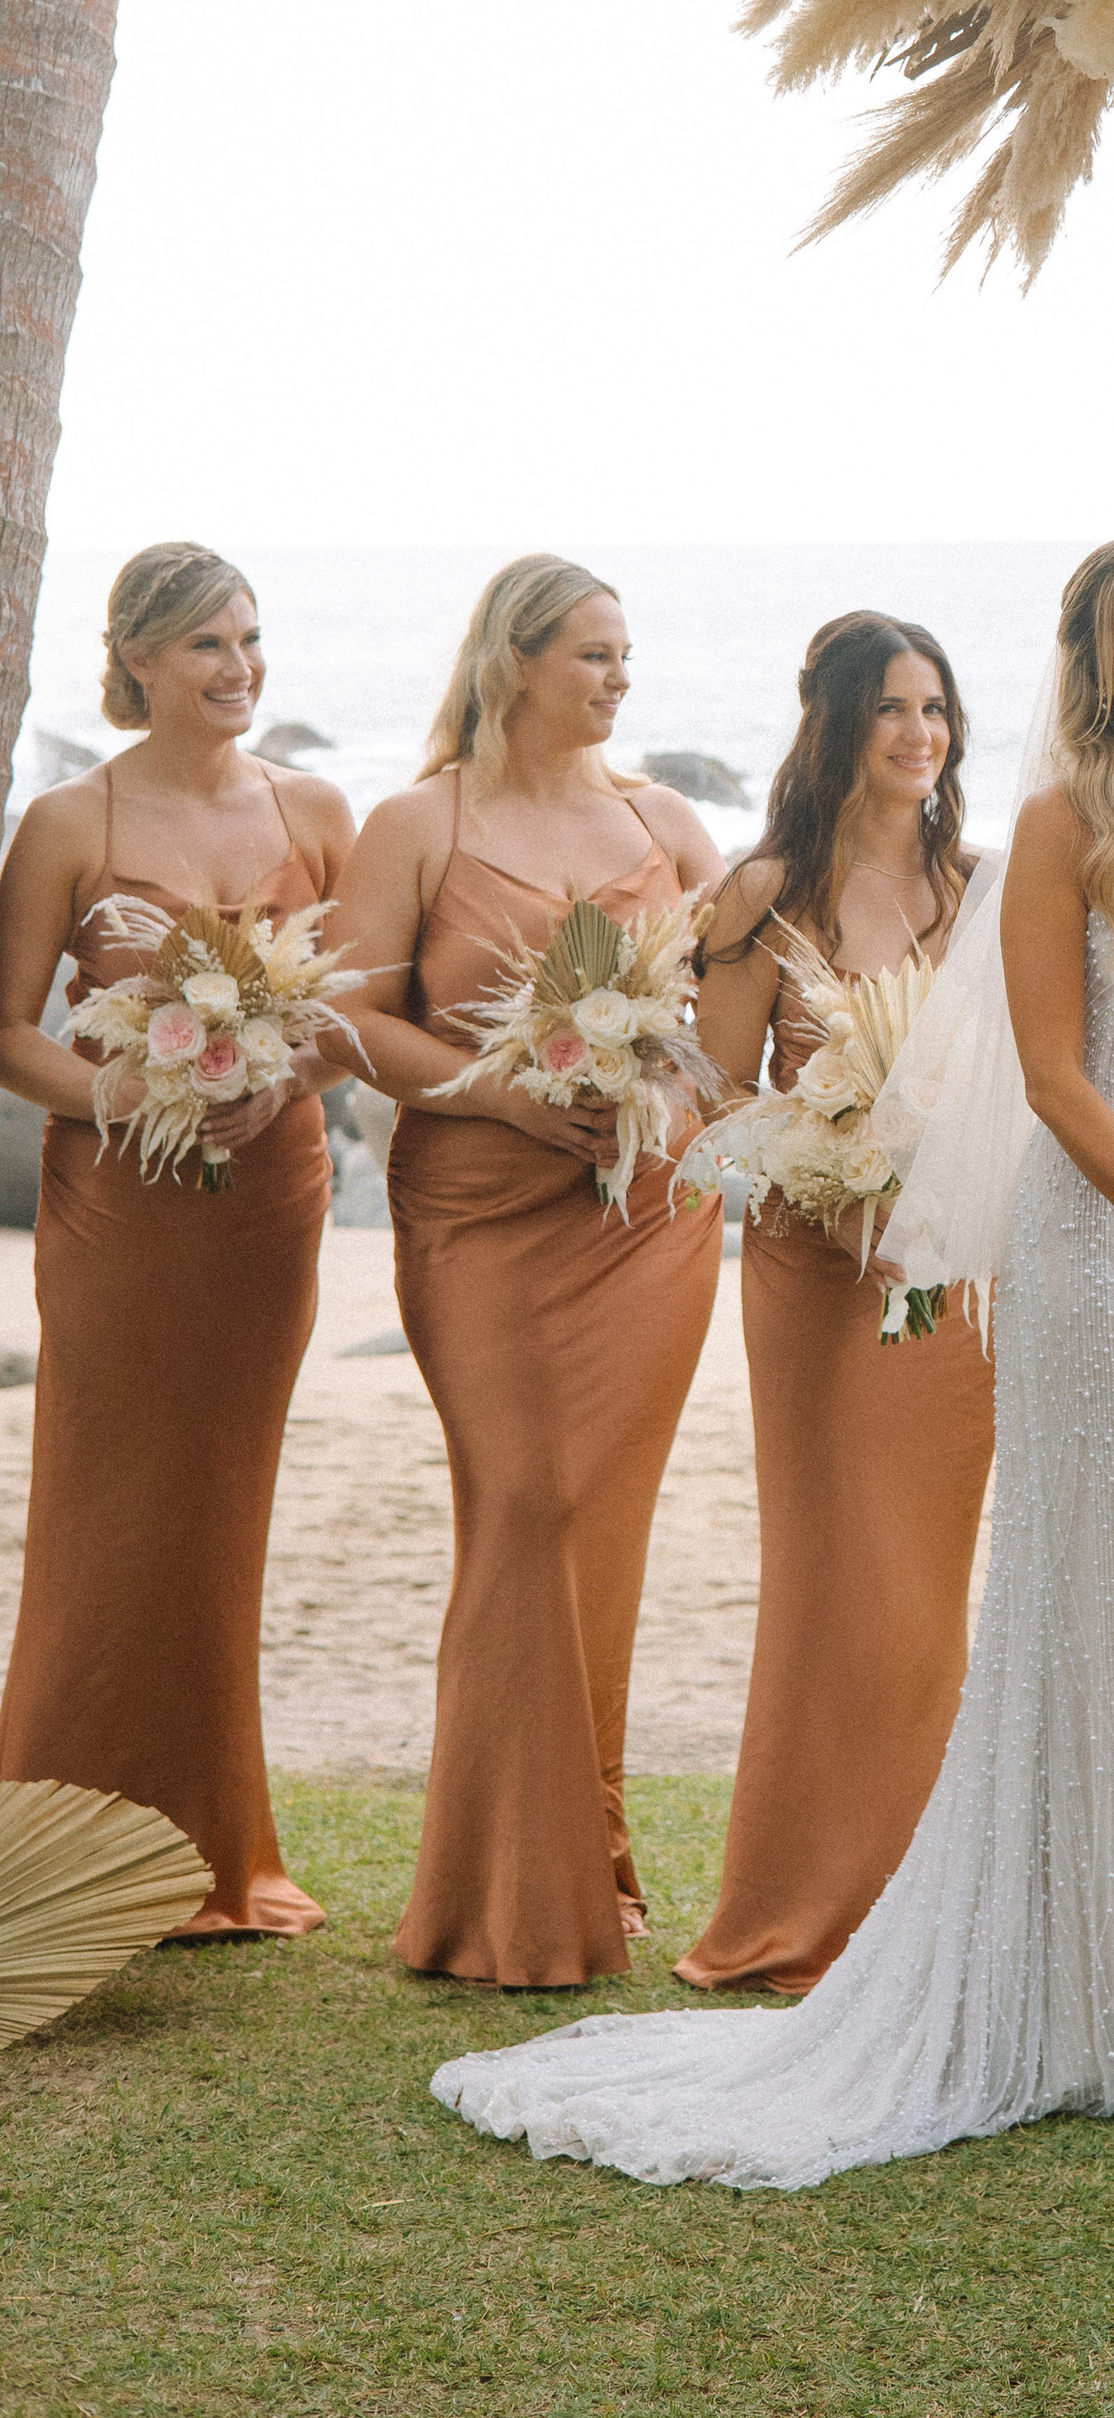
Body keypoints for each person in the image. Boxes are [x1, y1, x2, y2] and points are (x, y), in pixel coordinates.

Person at [422, 536, 1114, 2183]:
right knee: (1074, 1602)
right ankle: (1046, 1986)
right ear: (1092, 666)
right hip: (1112, 1253)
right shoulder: (1070, 828)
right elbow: (1061, 1082)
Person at [333, 557, 724, 1988]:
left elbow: (742, 1012)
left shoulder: (662, 821)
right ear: (512, 660)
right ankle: (495, 1892)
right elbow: (347, 1026)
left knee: (595, 1533)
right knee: (522, 1506)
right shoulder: (417, 822)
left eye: (627, 655)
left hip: (644, 1228)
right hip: (479, 1214)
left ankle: (582, 1872)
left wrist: (676, 1106)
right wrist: (499, 1093)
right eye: (593, 654)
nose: (621, 679)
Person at [0, 542, 354, 1936]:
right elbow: (6, 1028)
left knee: (223, 1505)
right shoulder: (66, 822)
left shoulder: (317, 808)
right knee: (106, 1499)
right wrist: (122, 1091)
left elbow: (351, 1009)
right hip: (119, 1208)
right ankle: (56, 1838)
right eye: (209, 644)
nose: (240, 669)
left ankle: (217, 1852)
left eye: (252, 640)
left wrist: (285, 1078)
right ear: (137, 657)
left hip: (268, 1200)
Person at [676, 612, 996, 1995]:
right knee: (832, 1582)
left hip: (945, 1286)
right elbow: (707, 1082)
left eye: (935, 708)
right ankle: (801, 1910)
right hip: (815, 1275)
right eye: (892, 710)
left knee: (923, 1597)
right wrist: (819, 1141)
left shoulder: (983, 890)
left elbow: (1025, 1080)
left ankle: (920, 1911)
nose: (920, 734)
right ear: (838, 726)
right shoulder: (767, 891)